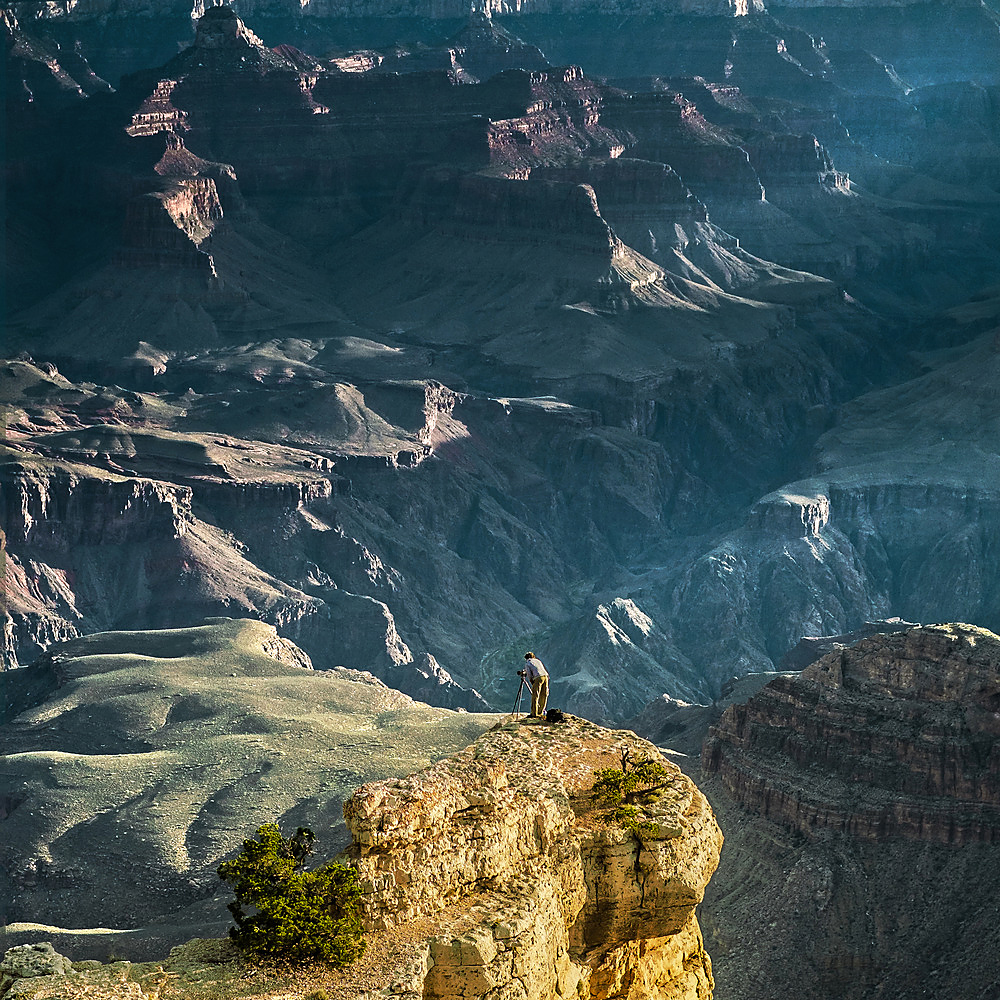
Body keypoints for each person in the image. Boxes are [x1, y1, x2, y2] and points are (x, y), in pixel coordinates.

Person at [523, 651, 548, 719]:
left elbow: (529, 674)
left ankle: (534, 713)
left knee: (535, 695)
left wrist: (532, 683)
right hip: (545, 676)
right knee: (544, 694)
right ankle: (541, 712)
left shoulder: (528, 663)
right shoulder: (538, 661)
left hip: (537, 677)